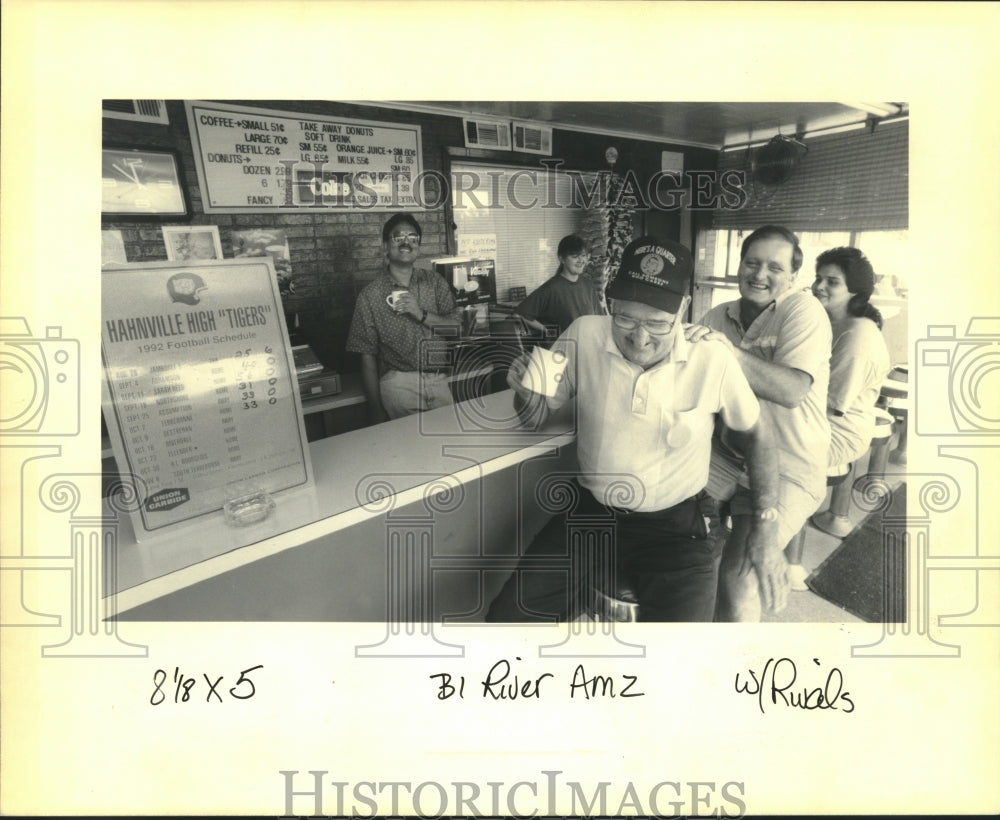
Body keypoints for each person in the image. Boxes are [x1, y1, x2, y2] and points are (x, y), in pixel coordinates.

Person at [485, 236, 786, 623]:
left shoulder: (711, 357)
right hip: (591, 514)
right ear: (610, 304)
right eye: (625, 319)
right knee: (506, 620)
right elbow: (533, 416)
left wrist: (765, 524)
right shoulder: (584, 332)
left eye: (657, 324)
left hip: (674, 529)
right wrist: (526, 391)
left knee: (677, 661)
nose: (639, 338)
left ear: (683, 309)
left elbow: (759, 435)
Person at [689, 225, 831, 622]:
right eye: (752, 263)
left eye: (774, 267)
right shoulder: (718, 315)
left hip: (788, 467)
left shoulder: (804, 310)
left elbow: (791, 390)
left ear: (792, 277)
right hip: (728, 456)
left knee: (738, 582)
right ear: (739, 265)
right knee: (675, 538)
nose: (759, 274)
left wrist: (726, 354)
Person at [788, 247, 891, 574]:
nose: (819, 286)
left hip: (840, 431)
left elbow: (830, 407)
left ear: (854, 291)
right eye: (819, 278)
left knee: (766, 444)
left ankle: (789, 562)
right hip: (829, 418)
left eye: (832, 281)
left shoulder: (856, 336)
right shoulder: (837, 323)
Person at [346, 213, 460, 423]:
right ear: (385, 246)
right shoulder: (370, 296)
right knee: (413, 450)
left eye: (413, 237)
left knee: (447, 442)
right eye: (398, 238)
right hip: (398, 383)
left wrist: (420, 314)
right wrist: (375, 408)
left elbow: (456, 329)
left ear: (419, 246)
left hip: (438, 379)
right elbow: (366, 355)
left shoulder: (435, 282)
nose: (406, 242)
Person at [514, 234, 605, 340]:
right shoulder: (552, 288)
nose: (581, 260)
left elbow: (599, 318)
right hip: (565, 349)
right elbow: (521, 313)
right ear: (562, 259)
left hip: (588, 345)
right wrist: (547, 330)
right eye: (575, 256)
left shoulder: (588, 285)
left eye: (583, 255)